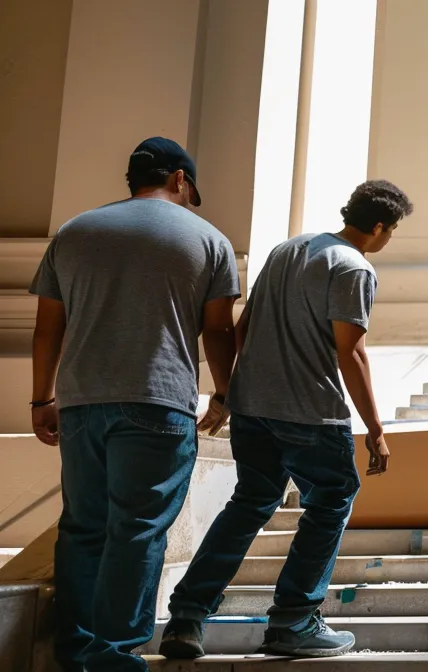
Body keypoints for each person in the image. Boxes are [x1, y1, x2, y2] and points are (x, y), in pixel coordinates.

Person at [157, 180, 413, 659]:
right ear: (379, 226)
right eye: (390, 232)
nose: (386, 240)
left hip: (254, 408)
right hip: (310, 413)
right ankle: (294, 620)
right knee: (333, 497)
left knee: (250, 502)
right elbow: (351, 352)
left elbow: (243, 325)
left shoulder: (286, 250)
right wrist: (376, 430)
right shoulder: (354, 267)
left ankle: (187, 618)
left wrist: (227, 392)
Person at [30, 137, 240, 671]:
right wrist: (223, 392)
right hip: (158, 403)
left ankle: (76, 653)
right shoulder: (209, 239)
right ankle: (114, 657)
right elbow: (218, 331)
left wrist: (41, 399)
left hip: (81, 403)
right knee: (137, 529)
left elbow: (47, 328)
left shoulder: (74, 232)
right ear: (180, 180)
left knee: (82, 528)